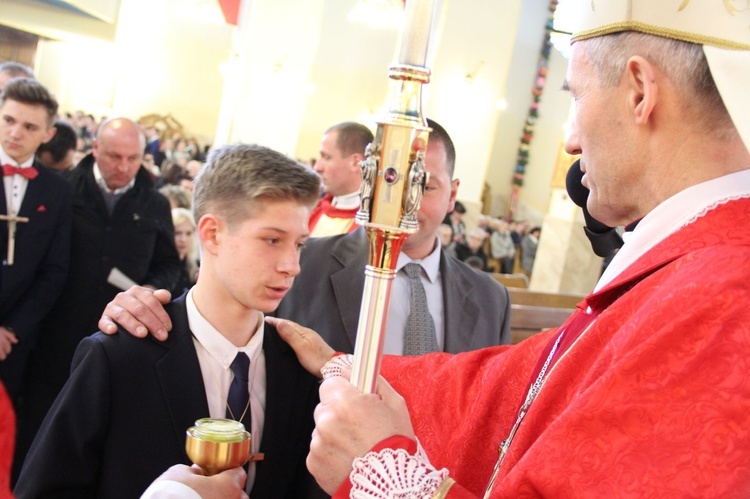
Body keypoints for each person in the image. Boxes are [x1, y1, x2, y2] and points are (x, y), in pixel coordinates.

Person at [285, 2, 750, 497]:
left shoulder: (724, 296)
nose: (569, 141)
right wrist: (342, 364)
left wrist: (383, 473)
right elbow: (512, 388)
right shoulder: (698, 262)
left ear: (639, 91)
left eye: (576, 96)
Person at [15, 144, 327, 498]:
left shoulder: (297, 367)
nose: (292, 265)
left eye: (299, 244)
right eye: (272, 240)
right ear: (212, 234)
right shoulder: (120, 356)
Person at [97, 119, 511, 356]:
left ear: (454, 193)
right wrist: (139, 308)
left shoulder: (491, 299)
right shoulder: (303, 263)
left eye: (426, 188)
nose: (404, 207)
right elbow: (216, 315)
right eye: (392, 186)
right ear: (368, 181)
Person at [15, 117, 181, 475]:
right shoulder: (63, 190)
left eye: (133, 159)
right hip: (54, 336)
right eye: (113, 156)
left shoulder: (153, 203)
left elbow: (170, 265)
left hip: (116, 341)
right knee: (38, 434)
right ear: (94, 149)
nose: (123, 167)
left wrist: (151, 289)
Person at [0, 79, 72, 405]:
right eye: (9, 120)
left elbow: (54, 271)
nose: (15, 133)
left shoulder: (56, 190)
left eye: (29, 126)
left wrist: (12, 329)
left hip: (16, 341)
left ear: (47, 134)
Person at [308, 121, 373, 237]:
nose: (317, 167)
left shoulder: (371, 226)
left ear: (355, 162)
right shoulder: (310, 210)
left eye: (326, 157)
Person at [170, 207, 198, 297]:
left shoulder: (197, 268)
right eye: (177, 233)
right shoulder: (157, 268)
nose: (183, 239)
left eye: (188, 233)